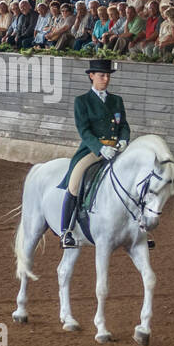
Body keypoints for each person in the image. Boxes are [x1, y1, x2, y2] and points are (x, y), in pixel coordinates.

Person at [57, 59, 131, 247]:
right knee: (74, 184)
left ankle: (138, 228)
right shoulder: (82, 101)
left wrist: (123, 140)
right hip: (93, 151)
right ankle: (66, 231)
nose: (105, 79)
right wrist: (100, 148)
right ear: (91, 76)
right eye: (101, 75)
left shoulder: (116, 100)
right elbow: (84, 131)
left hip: (116, 150)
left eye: (107, 76)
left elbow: (123, 126)